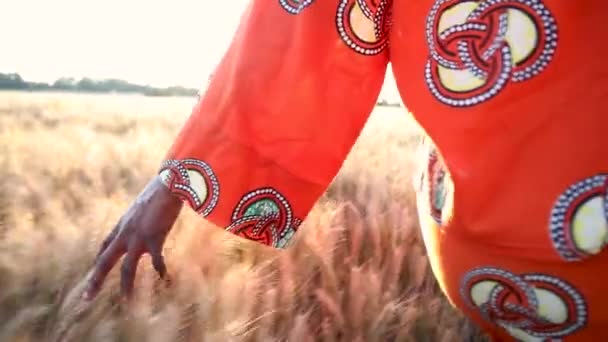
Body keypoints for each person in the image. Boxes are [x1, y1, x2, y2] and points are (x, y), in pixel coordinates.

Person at [82, 0, 608, 340]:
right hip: (527, 260)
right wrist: (178, 179)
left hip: (502, 262)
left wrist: (178, 180)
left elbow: (304, 25)